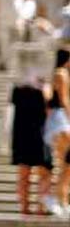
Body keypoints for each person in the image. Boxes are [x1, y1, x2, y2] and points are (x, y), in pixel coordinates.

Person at [9, 60, 56, 216]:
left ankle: (29, 208)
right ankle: (33, 208)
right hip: (36, 132)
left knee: (30, 171)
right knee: (38, 171)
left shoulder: (19, 88)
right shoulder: (40, 87)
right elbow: (49, 105)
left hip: (27, 132)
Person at [44, 48, 70, 215]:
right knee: (65, 161)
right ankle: (58, 198)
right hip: (61, 118)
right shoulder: (62, 73)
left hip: (56, 118)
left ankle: (61, 198)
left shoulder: (55, 73)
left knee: (64, 163)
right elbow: (64, 99)